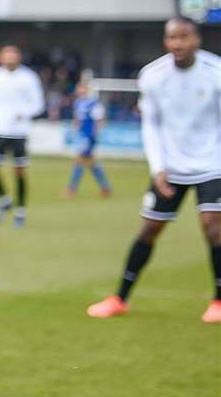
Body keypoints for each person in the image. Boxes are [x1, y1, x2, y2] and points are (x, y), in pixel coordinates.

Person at [87, 18, 221, 323]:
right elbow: (151, 125)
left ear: (196, 40)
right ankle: (119, 298)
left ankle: (218, 301)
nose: (177, 43)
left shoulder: (216, 72)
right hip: (170, 168)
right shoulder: (153, 75)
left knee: (213, 227)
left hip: (213, 163)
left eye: (184, 37)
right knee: (149, 229)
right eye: (172, 37)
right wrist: (158, 167)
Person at [0, 45, 45, 228]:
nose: (9, 58)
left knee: (19, 171)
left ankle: (20, 211)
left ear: (18, 58)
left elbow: (38, 104)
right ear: (0, 58)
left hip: (19, 131)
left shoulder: (28, 77)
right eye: (6, 55)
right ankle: (5, 200)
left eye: (13, 55)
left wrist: (23, 112)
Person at [65, 78, 111, 198]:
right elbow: (78, 120)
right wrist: (73, 131)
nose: (79, 91)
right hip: (82, 136)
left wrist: (94, 135)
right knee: (91, 164)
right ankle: (105, 188)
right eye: (78, 89)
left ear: (86, 90)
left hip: (89, 137)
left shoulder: (94, 103)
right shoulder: (78, 103)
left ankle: (71, 189)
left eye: (81, 89)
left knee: (79, 161)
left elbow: (100, 120)